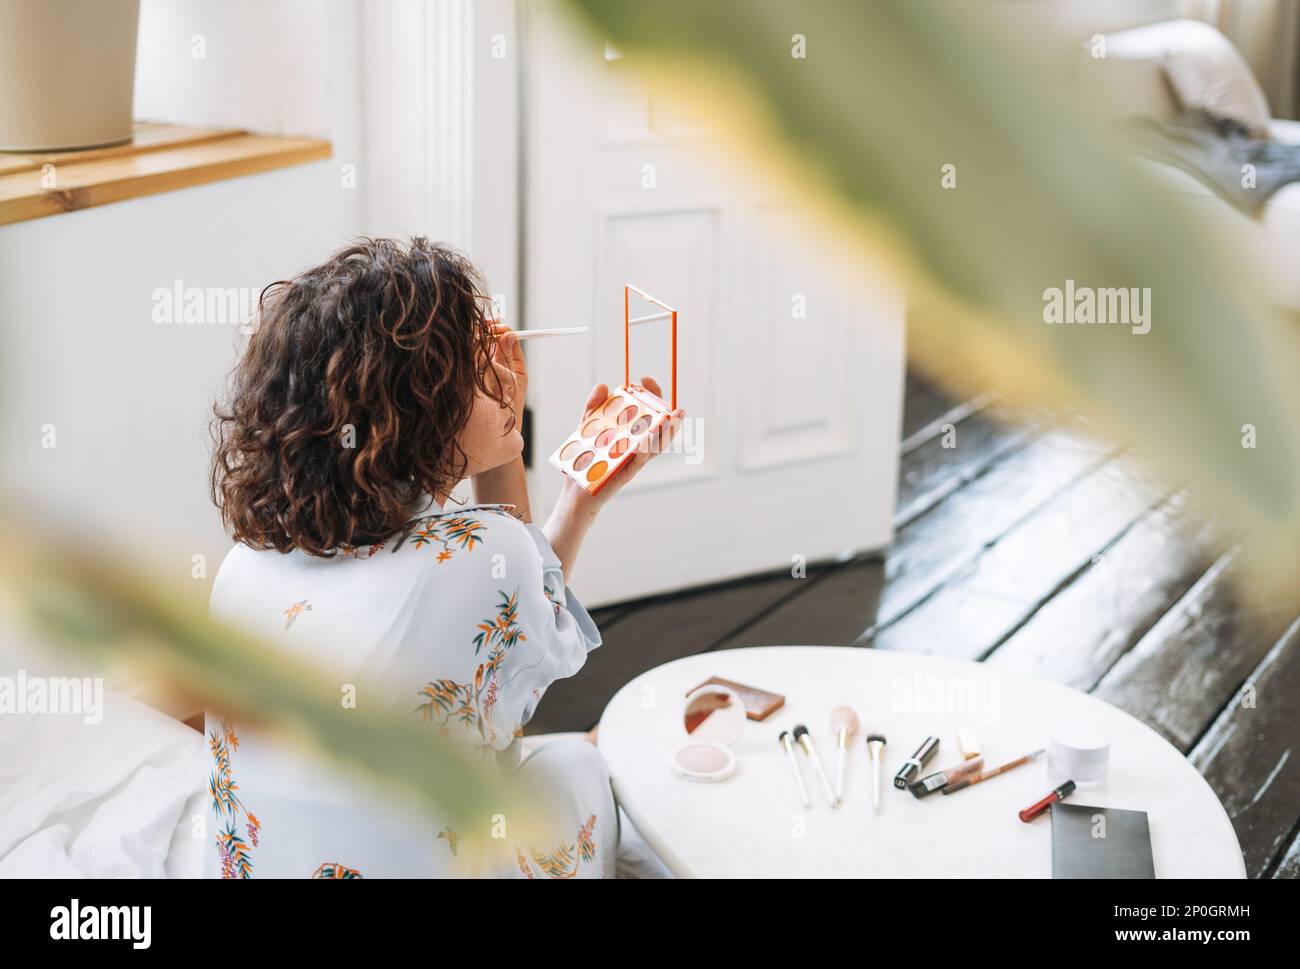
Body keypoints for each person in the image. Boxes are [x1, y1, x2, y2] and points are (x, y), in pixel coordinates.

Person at [205, 237, 681, 878]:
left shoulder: (244, 562)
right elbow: (519, 654)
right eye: (475, 371)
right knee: (580, 769)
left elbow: (499, 607)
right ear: (421, 411)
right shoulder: (480, 558)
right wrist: (537, 473)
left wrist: (531, 462)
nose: (504, 379)